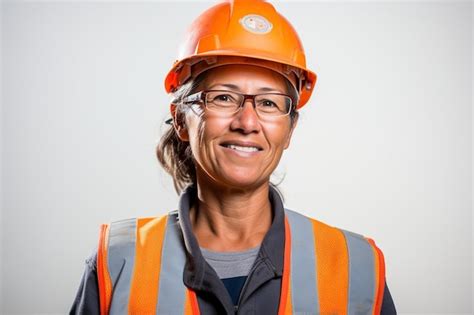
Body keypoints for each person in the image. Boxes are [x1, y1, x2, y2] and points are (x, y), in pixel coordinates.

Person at [70, 0, 397, 314]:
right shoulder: (119, 262)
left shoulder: (355, 267)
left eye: (269, 103)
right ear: (182, 119)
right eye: (224, 97)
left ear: (290, 130)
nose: (247, 122)